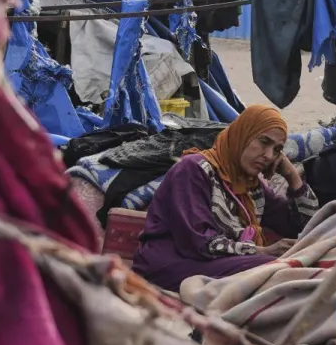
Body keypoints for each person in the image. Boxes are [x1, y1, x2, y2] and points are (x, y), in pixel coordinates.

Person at [132, 105, 318, 291]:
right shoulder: (193, 170)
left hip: (216, 263)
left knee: (289, 267)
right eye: (263, 142)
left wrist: (292, 176)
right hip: (173, 263)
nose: (269, 155)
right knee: (275, 269)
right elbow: (198, 242)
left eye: (277, 150)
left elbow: (302, 226)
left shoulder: (250, 185)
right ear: (242, 135)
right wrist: (261, 251)